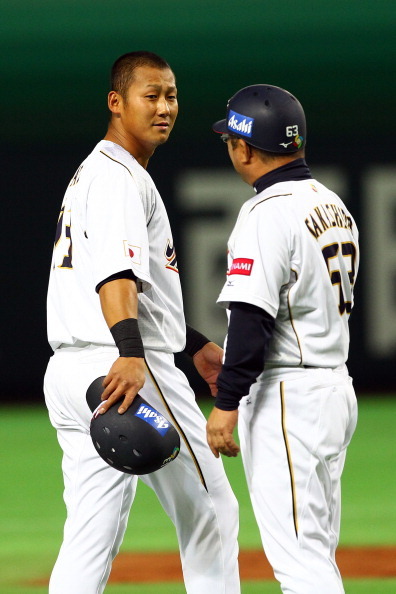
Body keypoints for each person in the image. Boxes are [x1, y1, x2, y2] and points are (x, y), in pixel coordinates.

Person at [44, 51, 240, 594]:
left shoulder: (97, 172)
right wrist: (132, 353)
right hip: (123, 367)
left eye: (171, 95)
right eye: (149, 95)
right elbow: (114, 278)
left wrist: (190, 342)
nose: (164, 107)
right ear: (116, 102)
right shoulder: (117, 178)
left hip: (73, 368)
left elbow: (123, 283)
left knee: (91, 533)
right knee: (211, 512)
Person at [206, 84, 359, 593]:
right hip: (334, 391)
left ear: (246, 148)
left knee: (300, 563)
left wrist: (227, 403)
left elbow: (251, 318)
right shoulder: (332, 203)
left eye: (231, 140)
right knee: (316, 551)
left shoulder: (266, 211)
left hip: (290, 400)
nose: (230, 148)